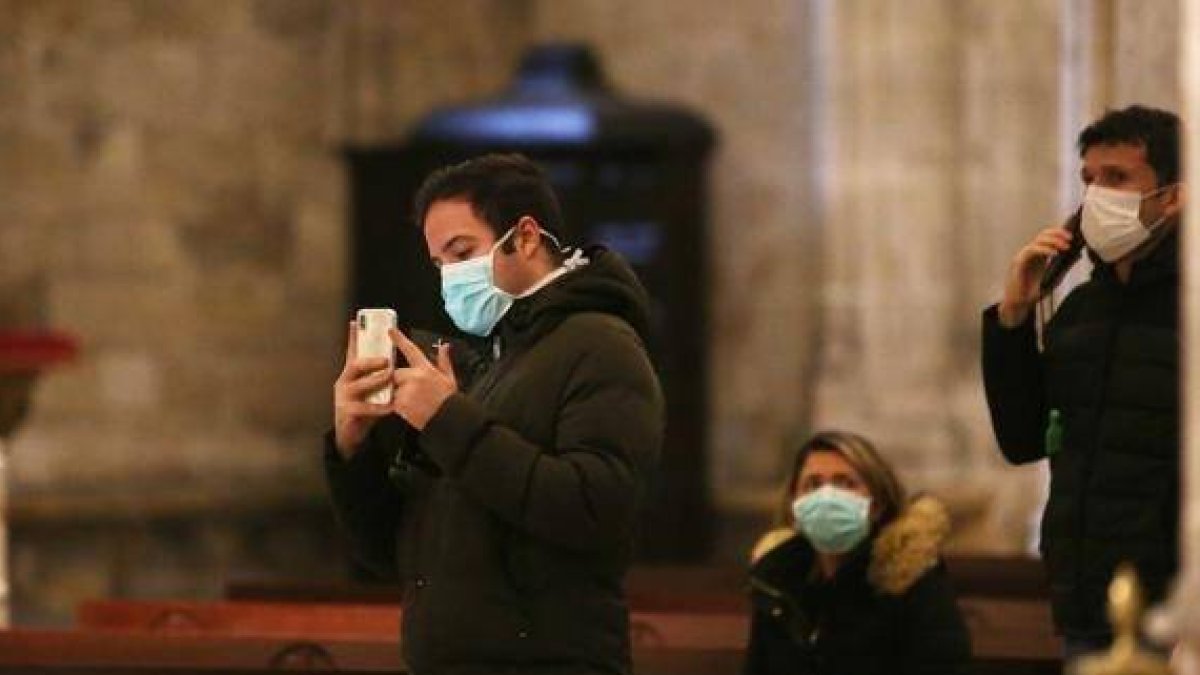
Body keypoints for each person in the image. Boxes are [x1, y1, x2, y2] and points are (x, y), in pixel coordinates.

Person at [324, 154, 664, 675]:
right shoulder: (491, 358)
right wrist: (354, 447)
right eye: (439, 264)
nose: (451, 277)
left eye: (462, 252)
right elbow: (395, 553)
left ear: (525, 236)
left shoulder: (600, 343)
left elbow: (596, 507)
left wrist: (446, 419)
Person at [981, 105, 1184, 660]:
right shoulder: (1079, 310)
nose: (1097, 196)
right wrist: (1014, 318)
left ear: (1172, 196)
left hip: (1175, 598)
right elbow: (1023, 439)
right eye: (1089, 180)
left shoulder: (1189, 308)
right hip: (1086, 594)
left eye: (1118, 178)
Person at [743, 430, 971, 675]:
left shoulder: (913, 581)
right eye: (813, 484)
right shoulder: (777, 580)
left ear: (877, 504)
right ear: (794, 504)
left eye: (845, 483)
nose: (827, 497)